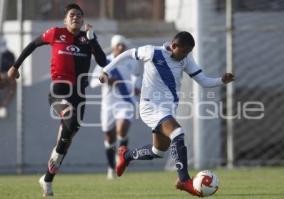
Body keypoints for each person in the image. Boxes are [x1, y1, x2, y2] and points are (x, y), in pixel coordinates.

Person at [99, 31, 234, 197]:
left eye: (189, 52)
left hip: (167, 110)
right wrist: (106, 70)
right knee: (178, 132)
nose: (186, 55)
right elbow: (127, 54)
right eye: (184, 51)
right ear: (174, 46)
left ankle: (126, 155)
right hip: (150, 107)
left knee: (158, 151)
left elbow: (203, 81)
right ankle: (184, 181)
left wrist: (221, 80)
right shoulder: (151, 52)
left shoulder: (186, 58)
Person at [7, 3, 107, 197]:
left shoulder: (87, 40)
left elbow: (103, 62)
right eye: (72, 15)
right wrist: (15, 66)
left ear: (83, 20)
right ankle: (65, 125)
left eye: (79, 15)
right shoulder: (55, 33)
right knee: (69, 118)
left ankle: (47, 180)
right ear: (65, 19)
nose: (75, 18)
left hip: (79, 93)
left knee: (68, 138)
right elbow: (32, 45)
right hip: (58, 91)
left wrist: (93, 40)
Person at [90, 35, 142, 179]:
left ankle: (122, 156)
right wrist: (106, 79)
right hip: (108, 104)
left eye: (123, 45)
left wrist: (138, 88)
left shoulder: (131, 62)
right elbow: (94, 81)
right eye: (118, 45)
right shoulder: (104, 62)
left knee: (122, 128)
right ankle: (111, 167)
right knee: (109, 137)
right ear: (113, 47)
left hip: (126, 101)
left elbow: (137, 78)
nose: (121, 48)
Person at [0, 38, 16, 118]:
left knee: (13, 84)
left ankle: (3, 106)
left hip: (6, 76)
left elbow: (12, 68)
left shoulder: (10, 55)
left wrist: (5, 75)